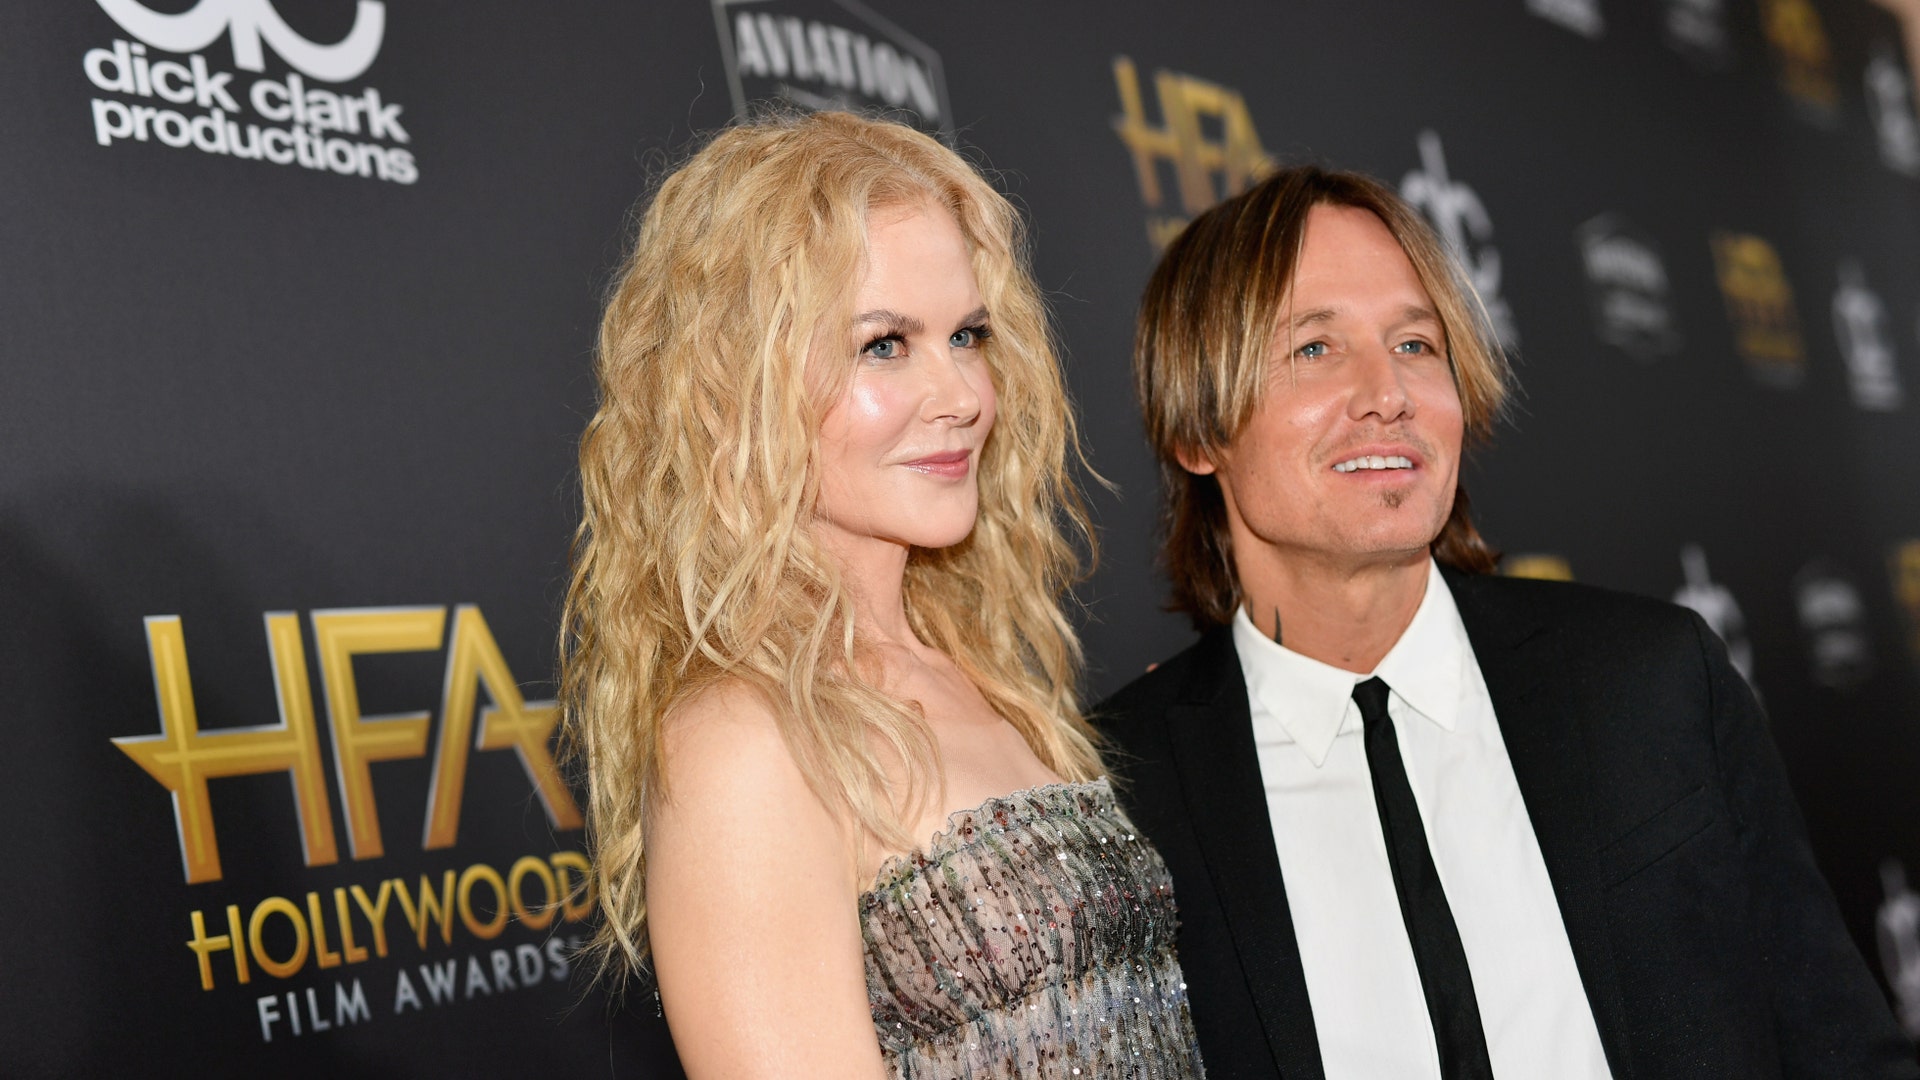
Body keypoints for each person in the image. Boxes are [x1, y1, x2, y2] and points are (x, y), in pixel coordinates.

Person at [1096, 164, 1918, 1079]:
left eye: (1415, 344)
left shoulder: (1653, 685)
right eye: (1314, 351)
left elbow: (1840, 1049)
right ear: (1196, 431)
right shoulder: (1123, 795)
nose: (1388, 393)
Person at [560, 111, 1206, 1080]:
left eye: (967, 334)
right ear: (740, 385)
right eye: (884, 345)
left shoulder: (986, 674)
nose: (963, 397)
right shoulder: (745, 740)